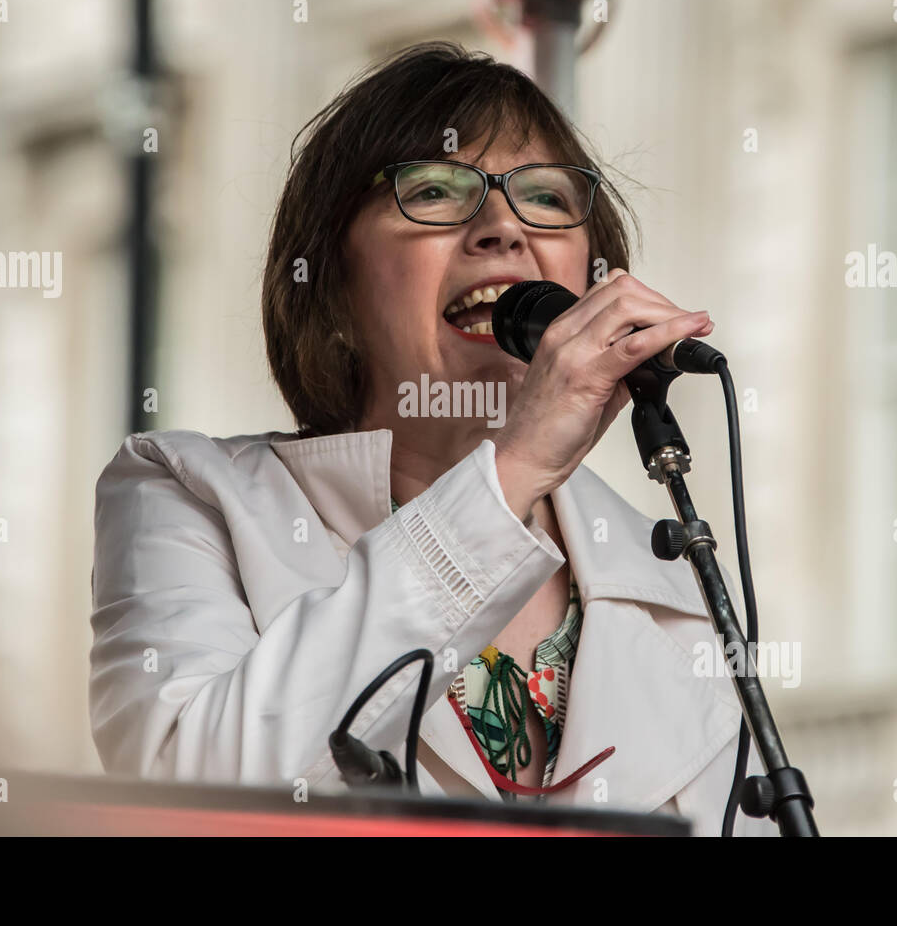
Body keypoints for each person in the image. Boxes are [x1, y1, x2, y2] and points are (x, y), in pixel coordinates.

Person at [89, 41, 775, 835]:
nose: (502, 228)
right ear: (333, 288)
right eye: (433, 191)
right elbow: (185, 795)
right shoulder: (187, 492)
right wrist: (510, 473)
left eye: (547, 199)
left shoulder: (670, 567)